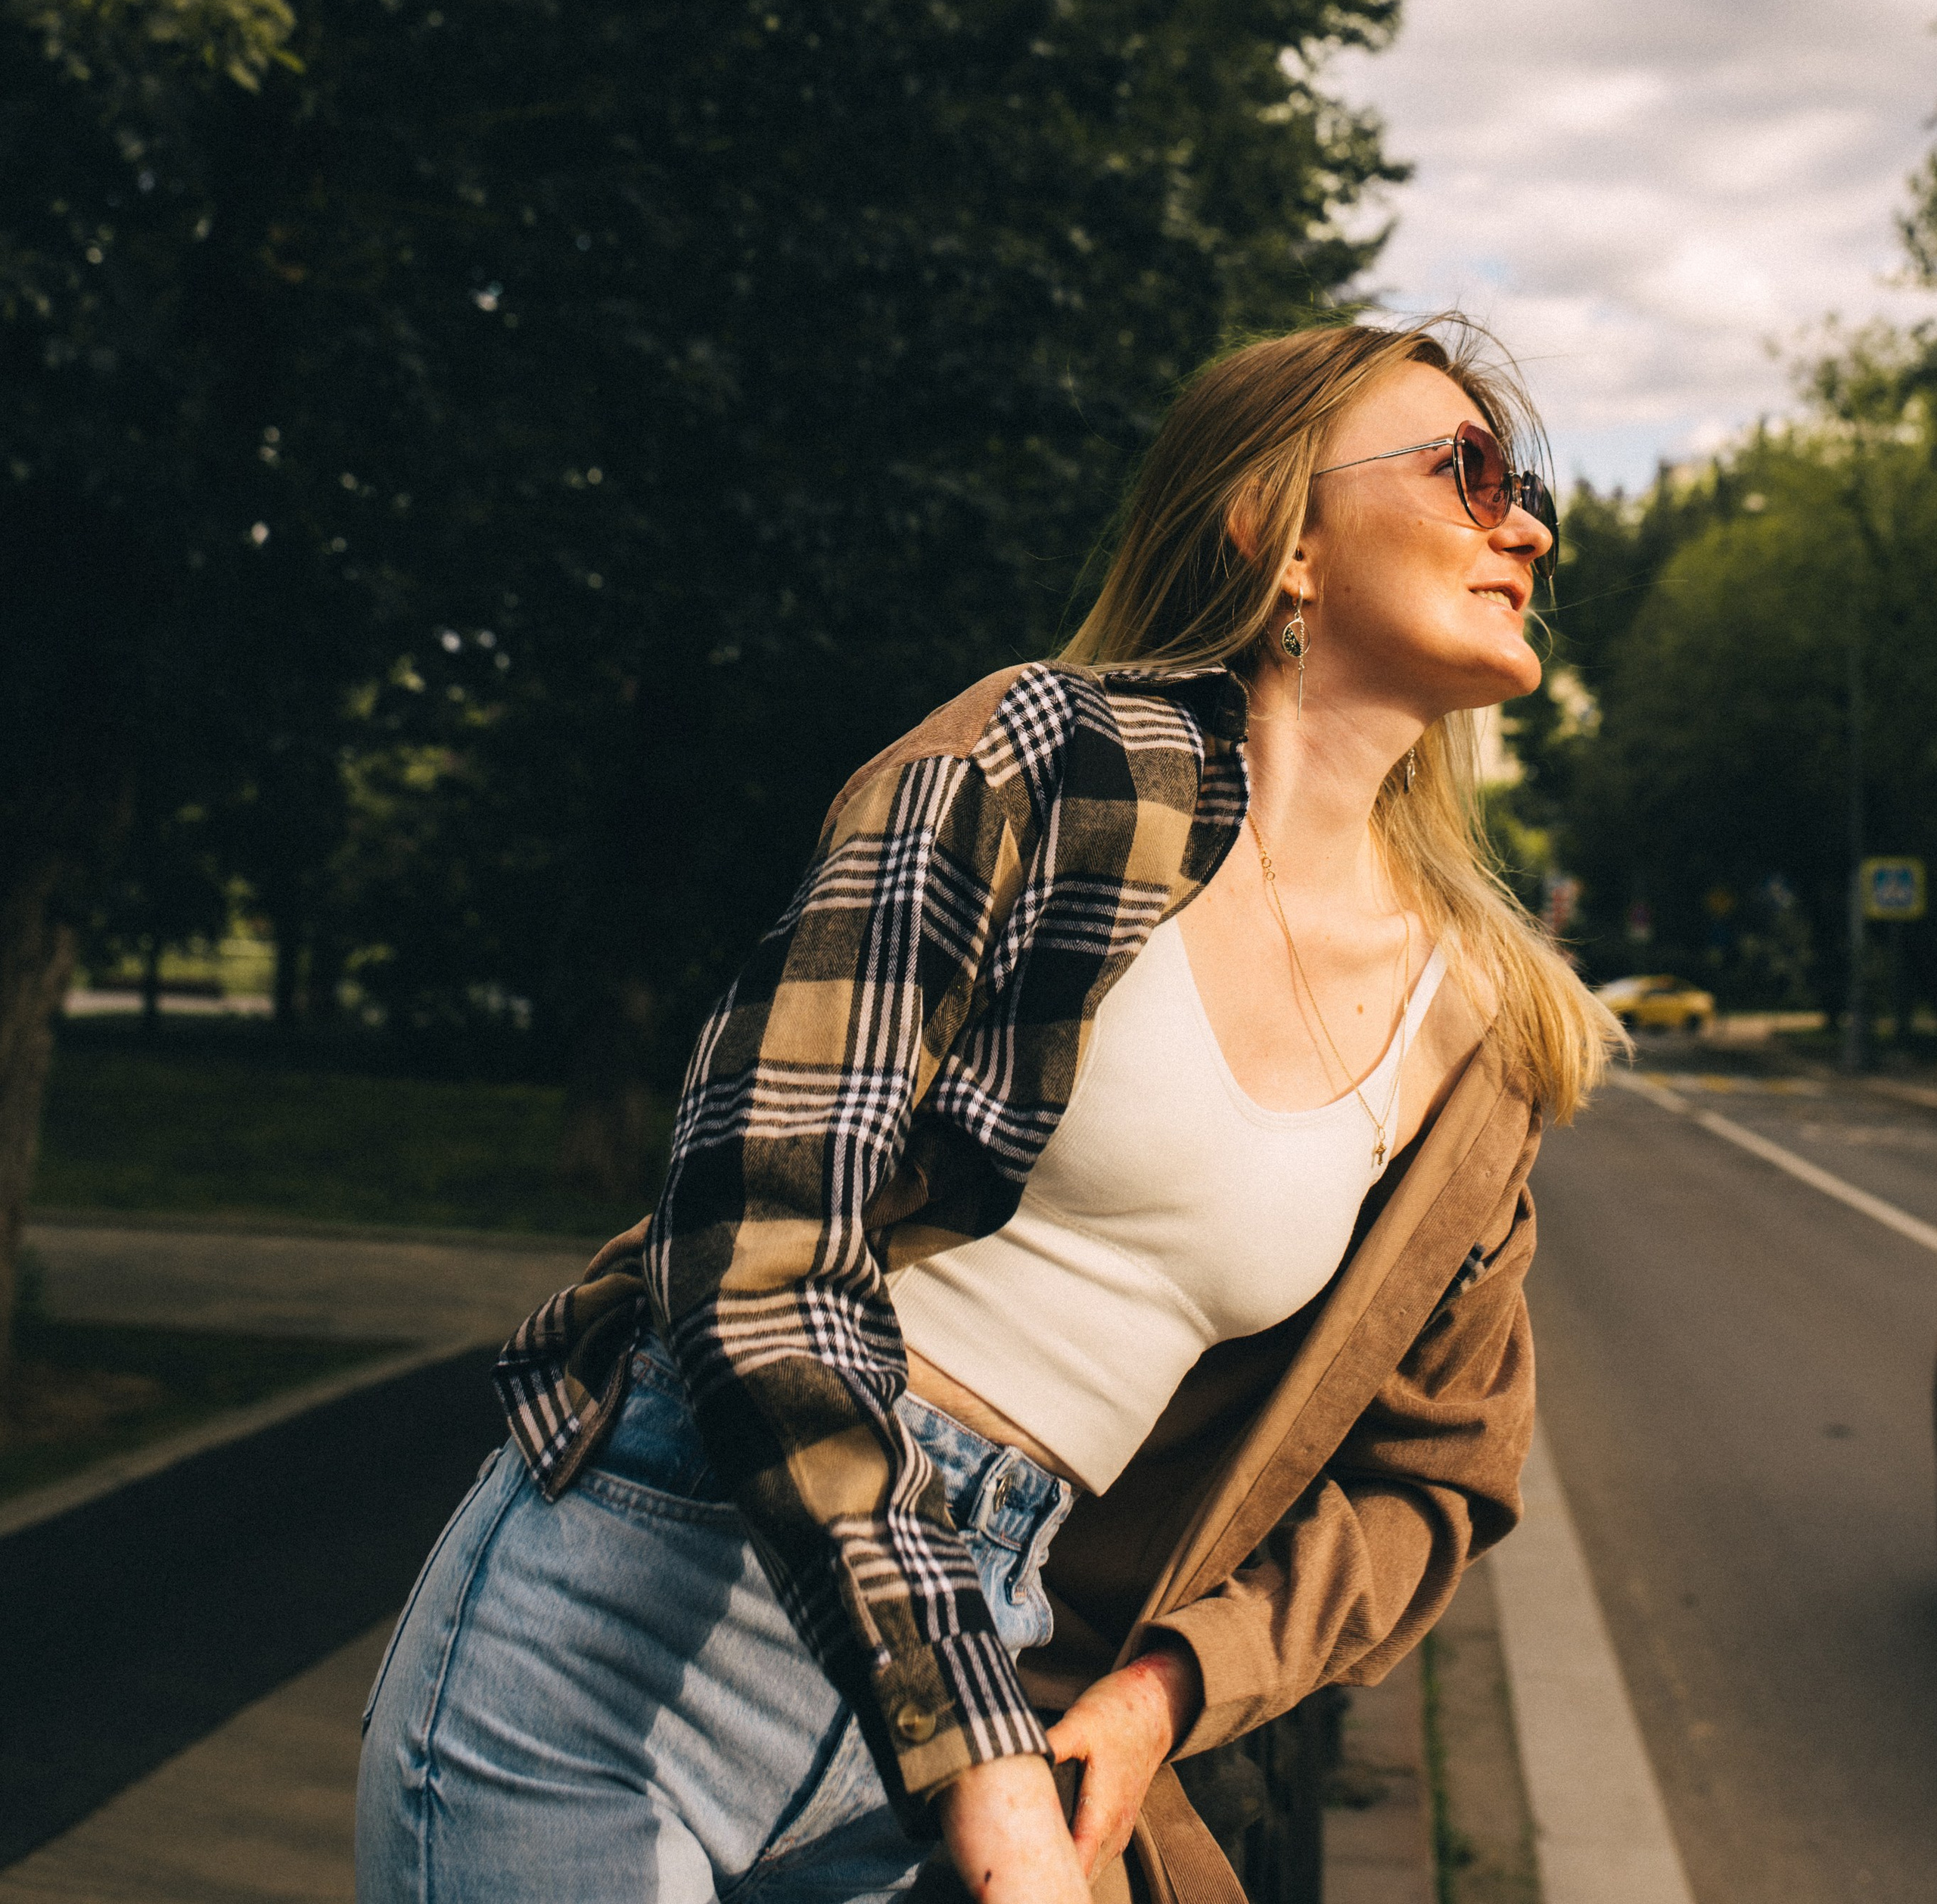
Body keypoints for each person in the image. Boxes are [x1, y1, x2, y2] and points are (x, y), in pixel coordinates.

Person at [357, 317, 1621, 1904]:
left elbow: (1433, 1476)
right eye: (1466, 470)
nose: (1526, 529)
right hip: (652, 1606)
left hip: (1004, 1668)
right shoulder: (1052, 762)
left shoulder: (1482, 1037)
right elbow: (752, 1236)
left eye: (1526, 490)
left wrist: (1173, 1684)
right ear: (1280, 534)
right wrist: (973, 1751)